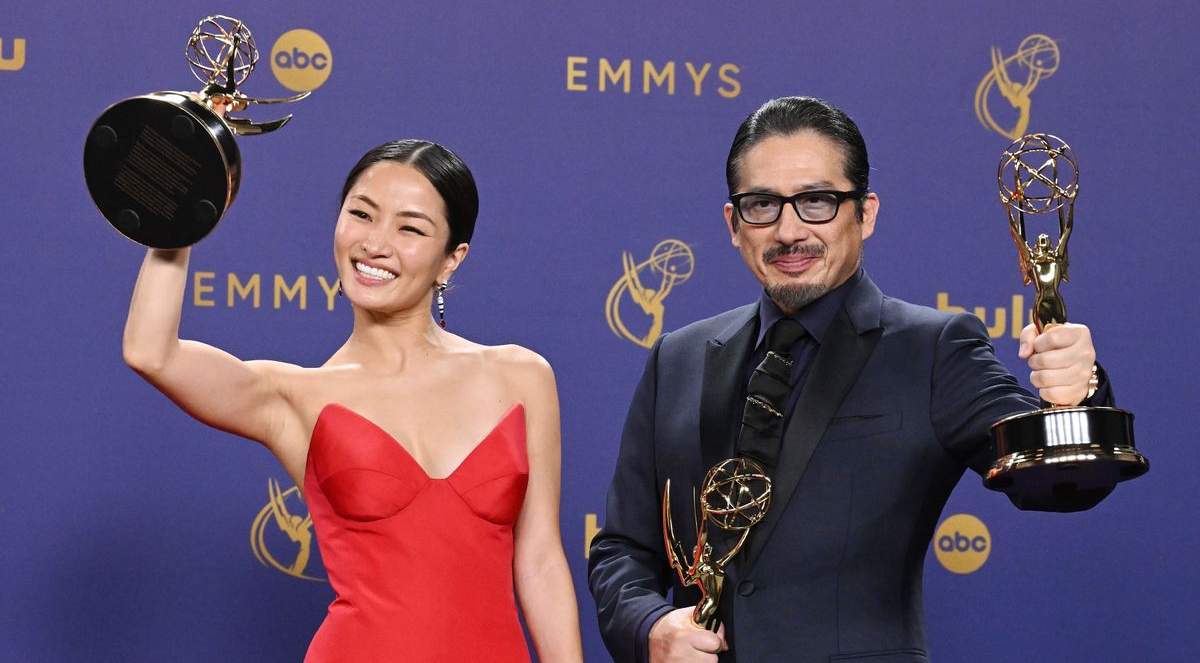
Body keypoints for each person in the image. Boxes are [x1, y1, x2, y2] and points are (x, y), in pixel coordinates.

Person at [587, 96, 1111, 663]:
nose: (789, 231)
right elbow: (623, 548)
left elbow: (1063, 487)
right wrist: (650, 628)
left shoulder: (934, 348)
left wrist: (1076, 397)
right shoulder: (678, 357)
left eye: (817, 201)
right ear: (733, 224)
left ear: (865, 214)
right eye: (762, 204)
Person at [123, 138, 583, 662]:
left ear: (451, 260)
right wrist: (182, 207)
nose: (375, 243)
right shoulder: (296, 396)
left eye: (410, 228)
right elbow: (151, 352)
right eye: (361, 215)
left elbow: (542, 560)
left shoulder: (521, 377)